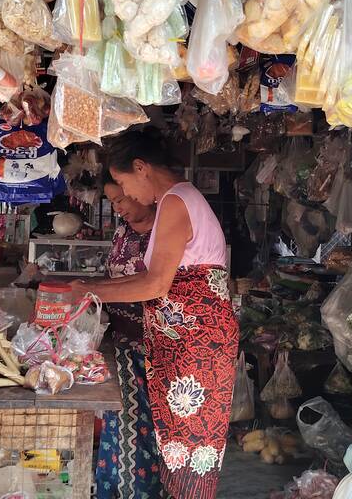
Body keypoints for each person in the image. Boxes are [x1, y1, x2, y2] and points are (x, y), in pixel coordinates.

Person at [74, 133, 238, 499]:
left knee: (190, 448)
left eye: (125, 183)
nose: (127, 194)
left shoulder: (178, 200)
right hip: (188, 342)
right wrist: (89, 286)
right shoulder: (176, 200)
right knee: (179, 446)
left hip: (196, 346)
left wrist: (90, 291)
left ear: (141, 168)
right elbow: (156, 278)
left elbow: (156, 285)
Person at [94, 181, 164, 499]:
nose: (118, 207)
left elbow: (156, 284)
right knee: (120, 422)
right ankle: (115, 490)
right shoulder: (123, 229)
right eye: (112, 201)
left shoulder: (163, 231)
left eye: (121, 199)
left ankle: (147, 492)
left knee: (151, 430)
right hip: (121, 343)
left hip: (155, 349)